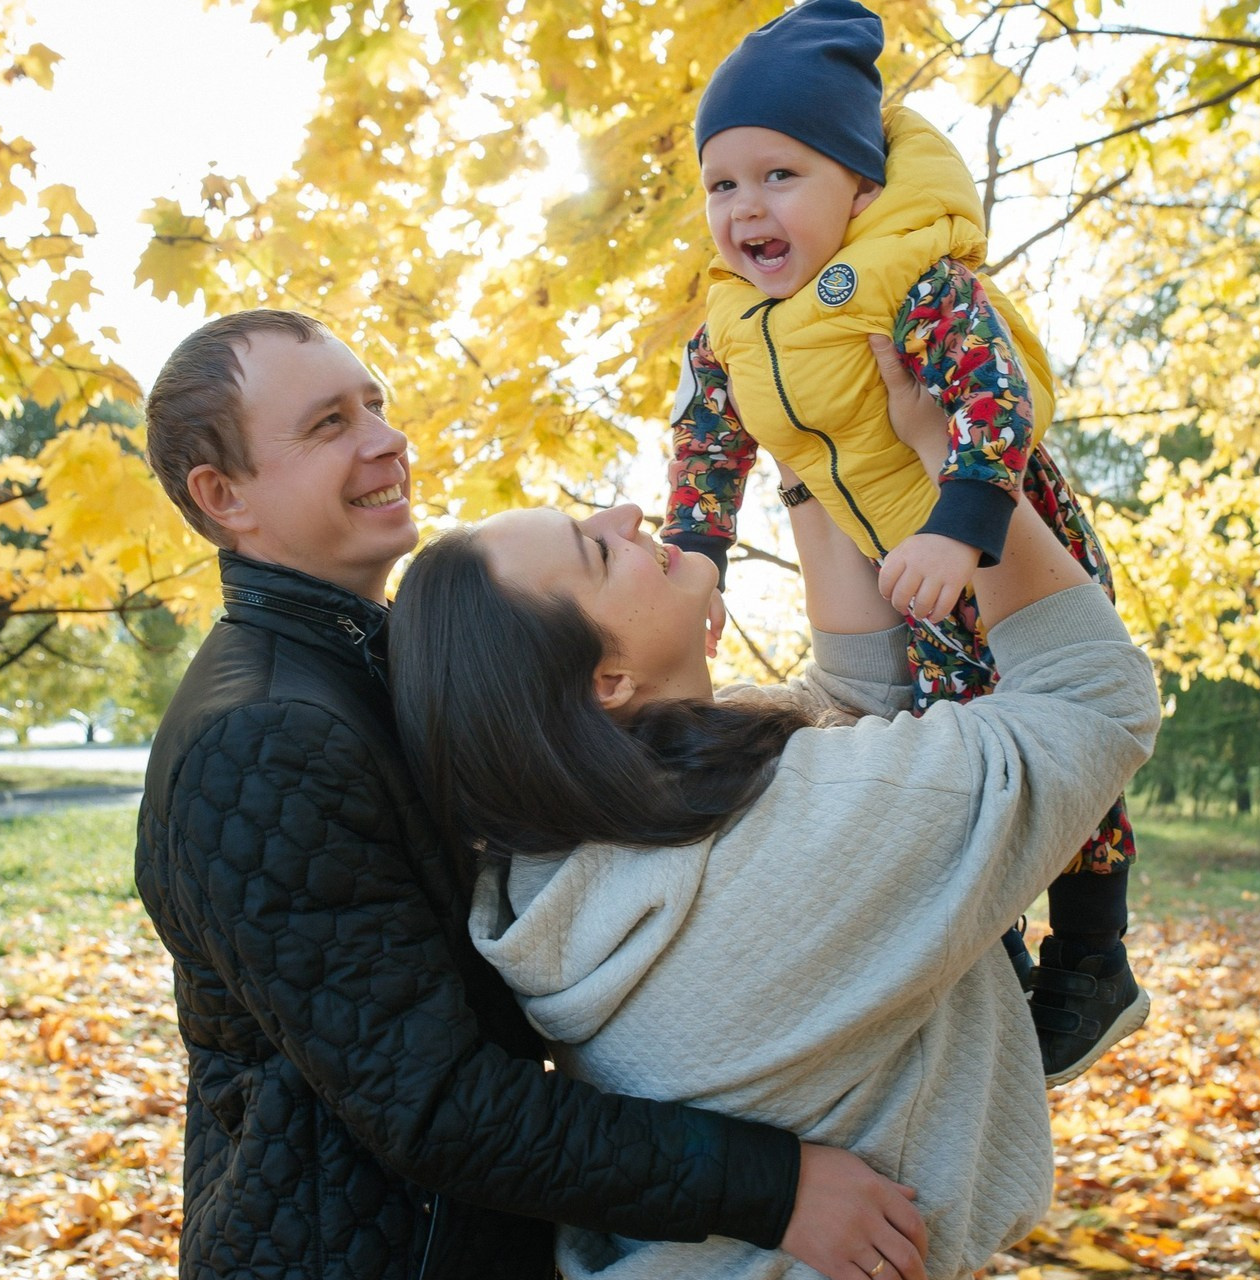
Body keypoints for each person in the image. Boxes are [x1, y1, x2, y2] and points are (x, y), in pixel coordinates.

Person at [134, 308, 930, 1280]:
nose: (387, 439)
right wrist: (773, 1186)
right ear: (224, 495)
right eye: (329, 423)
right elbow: (433, 1102)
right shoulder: (261, 740)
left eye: (375, 404)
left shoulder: (374, 664)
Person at [386, 341, 1161, 1280]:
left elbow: (851, 712)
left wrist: (805, 457)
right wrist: (954, 462)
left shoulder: (574, 859)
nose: (626, 513)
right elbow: (1092, 698)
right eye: (596, 548)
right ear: (606, 681)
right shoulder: (794, 842)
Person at [660, 0, 1146, 1084]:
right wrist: (697, 553)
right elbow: (707, 439)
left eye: (779, 175)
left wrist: (962, 526)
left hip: (992, 533)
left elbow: (992, 401)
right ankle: (993, 953)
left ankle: (1093, 955)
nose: (746, 208)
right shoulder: (731, 327)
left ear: (862, 190)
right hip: (902, 574)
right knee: (955, 752)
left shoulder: (915, 280)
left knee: (1063, 744)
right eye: (721, 185)